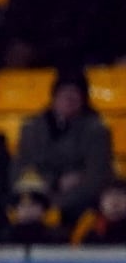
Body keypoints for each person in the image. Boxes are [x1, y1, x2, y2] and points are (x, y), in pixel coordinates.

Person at [14, 72, 114, 224]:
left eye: (74, 94)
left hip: (80, 204)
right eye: (64, 93)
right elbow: (22, 169)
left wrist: (57, 204)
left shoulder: (97, 131)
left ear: (83, 99)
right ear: (54, 97)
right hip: (37, 200)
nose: (69, 99)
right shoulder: (32, 128)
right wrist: (54, 183)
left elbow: (95, 178)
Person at [4, 172, 65, 246]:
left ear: (43, 209)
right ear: (15, 210)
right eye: (23, 206)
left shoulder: (56, 237)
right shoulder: (4, 238)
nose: (28, 210)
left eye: (33, 205)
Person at [72, 178, 126, 246]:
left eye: (121, 195)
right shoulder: (91, 224)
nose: (115, 200)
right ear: (101, 201)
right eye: (110, 195)